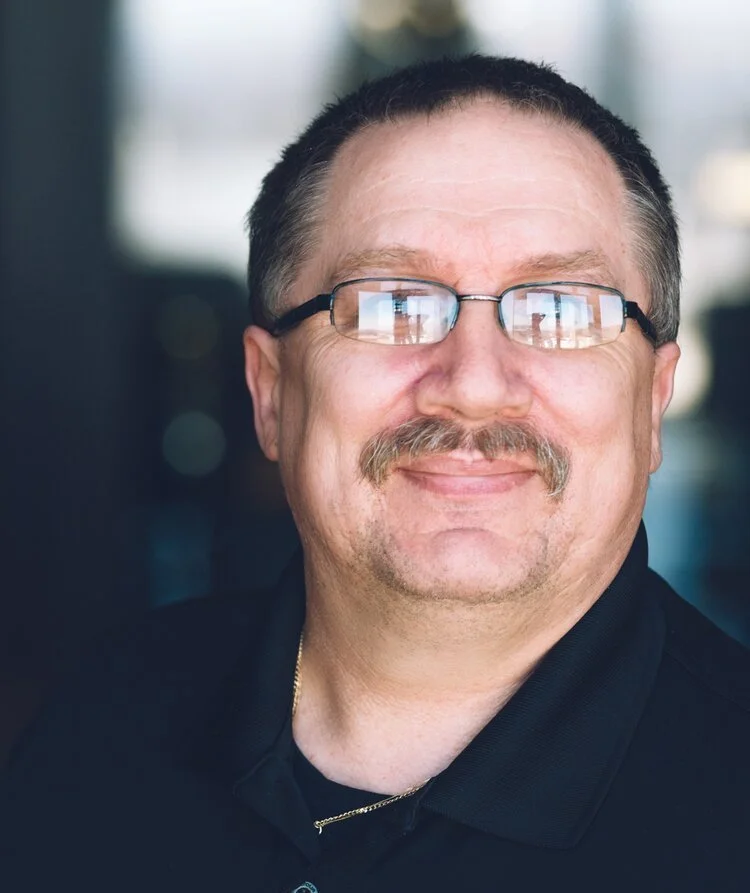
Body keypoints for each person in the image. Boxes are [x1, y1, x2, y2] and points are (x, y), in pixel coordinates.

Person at [2, 54, 749, 893]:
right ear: (271, 393)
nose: (472, 382)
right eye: (393, 304)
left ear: (653, 400)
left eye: (558, 310)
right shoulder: (97, 726)